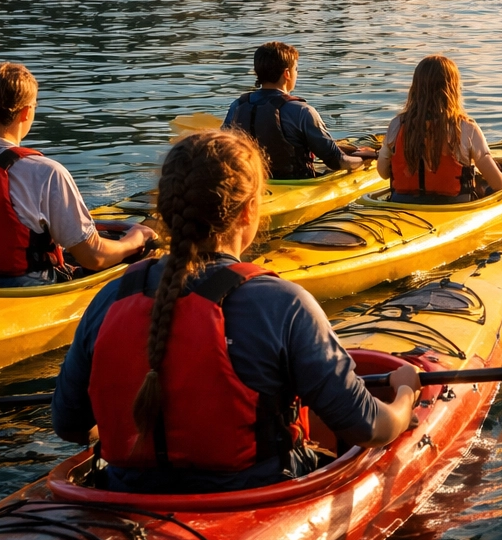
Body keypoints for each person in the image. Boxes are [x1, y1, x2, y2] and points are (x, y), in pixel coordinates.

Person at [51, 130, 420, 494]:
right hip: (256, 494)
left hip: (122, 493)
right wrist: (405, 394)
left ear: (164, 208)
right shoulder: (283, 304)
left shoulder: (109, 298)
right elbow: (368, 427)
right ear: (248, 211)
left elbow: (69, 424)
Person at [0, 62, 153, 288]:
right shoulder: (46, 172)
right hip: (23, 290)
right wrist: (134, 239)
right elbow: (94, 257)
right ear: (26, 113)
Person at [377, 55, 502, 203]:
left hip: (402, 202)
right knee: (485, 187)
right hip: (452, 206)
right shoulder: (467, 128)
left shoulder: (397, 124)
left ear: (415, 88)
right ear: (453, 88)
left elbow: (383, 173)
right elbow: (498, 182)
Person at [224, 41, 368, 180]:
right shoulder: (302, 111)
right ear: (287, 73)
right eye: (296, 69)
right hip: (296, 184)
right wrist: (363, 161)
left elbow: (222, 150)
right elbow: (336, 161)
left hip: (251, 182)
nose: (296, 74)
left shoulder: (237, 106)